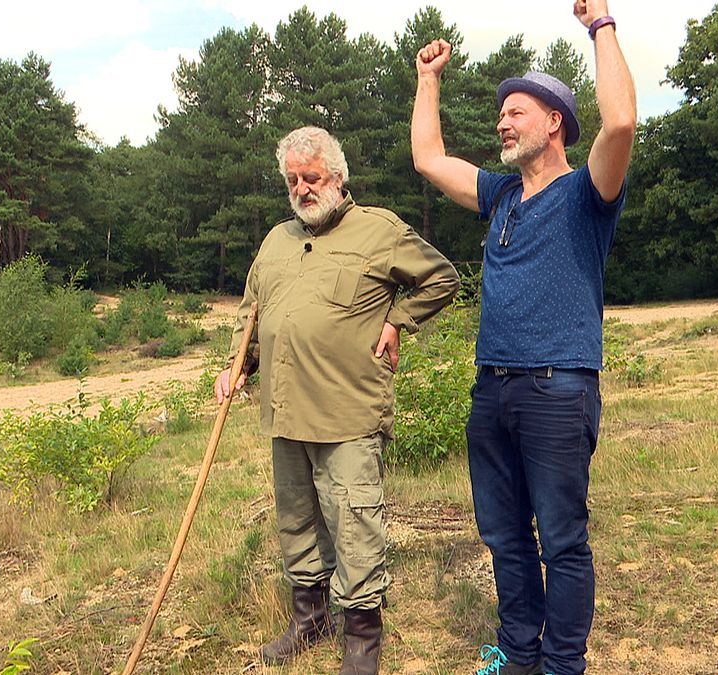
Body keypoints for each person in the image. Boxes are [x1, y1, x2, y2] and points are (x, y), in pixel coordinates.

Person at [410, 1, 636, 673]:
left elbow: (621, 122)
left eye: (516, 111)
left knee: (561, 542)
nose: (502, 121)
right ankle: (518, 655)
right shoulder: (502, 195)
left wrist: (601, 26)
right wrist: (428, 80)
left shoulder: (588, 193)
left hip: (558, 389)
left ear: (554, 122)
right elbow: (428, 157)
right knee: (504, 537)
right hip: (493, 389)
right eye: (500, 113)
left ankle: (562, 666)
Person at [214, 126, 459, 675]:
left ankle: (362, 639)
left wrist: (398, 320)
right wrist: (237, 365)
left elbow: (441, 279)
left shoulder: (379, 230)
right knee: (297, 521)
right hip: (285, 411)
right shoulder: (275, 242)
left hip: (348, 412)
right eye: (292, 180)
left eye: (312, 177)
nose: (302, 189)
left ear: (338, 177)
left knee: (354, 524)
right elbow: (251, 311)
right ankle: (309, 620)